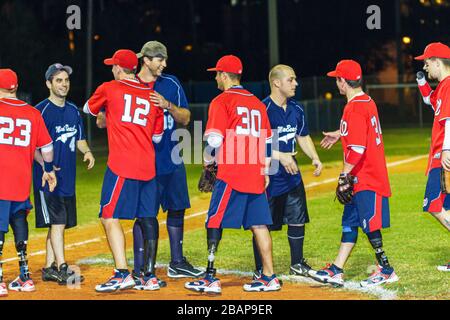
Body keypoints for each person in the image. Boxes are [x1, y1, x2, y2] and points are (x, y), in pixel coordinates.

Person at [98, 41, 202, 280]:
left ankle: (177, 261)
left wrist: (168, 106)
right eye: (159, 59)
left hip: (172, 155)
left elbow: (186, 118)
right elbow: (101, 119)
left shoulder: (171, 83)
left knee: (177, 208)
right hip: (143, 162)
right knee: (144, 214)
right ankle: (141, 267)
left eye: (165, 60)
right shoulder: (126, 84)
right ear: (145, 60)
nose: (164, 64)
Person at [184, 55, 281, 294]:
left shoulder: (221, 100)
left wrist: (208, 163)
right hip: (255, 173)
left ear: (225, 76)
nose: (216, 77)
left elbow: (215, 139)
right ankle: (269, 276)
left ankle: (209, 277)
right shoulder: (258, 103)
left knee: (214, 220)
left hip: (232, 172)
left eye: (217, 73)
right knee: (259, 225)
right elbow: (268, 141)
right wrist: (265, 169)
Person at [312, 60, 398, 287]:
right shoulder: (366, 101)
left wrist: (344, 175)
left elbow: (358, 149)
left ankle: (386, 269)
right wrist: (340, 133)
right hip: (363, 175)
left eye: (337, 79)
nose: (336, 83)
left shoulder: (354, 107)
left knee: (370, 225)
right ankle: (337, 269)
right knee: (349, 222)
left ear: (343, 81)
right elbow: (360, 130)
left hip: (366, 175)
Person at [83, 49, 164, 292]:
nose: (111, 70)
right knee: (147, 217)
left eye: (113, 66)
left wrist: (110, 111)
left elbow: (88, 109)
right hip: (148, 166)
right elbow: (157, 136)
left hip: (122, 164)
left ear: (119, 68)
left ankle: (122, 272)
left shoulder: (110, 87)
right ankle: (148, 276)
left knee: (108, 216)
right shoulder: (152, 96)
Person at [252, 64, 323, 279]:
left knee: (297, 218)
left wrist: (314, 157)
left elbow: (302, 136)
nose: (296, 83)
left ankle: (297, 263)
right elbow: (253, 144)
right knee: (263, 223)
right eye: (291, 80)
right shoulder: (261, 110)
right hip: (268, 176)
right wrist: (280, 155)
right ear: (276, 82)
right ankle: (260, 269)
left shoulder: (297, 108)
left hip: (292, 176)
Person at [33, 63, 95, 285]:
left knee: (58, 224)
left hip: (68, 178)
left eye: (66, 80)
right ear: (48, 84)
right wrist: (45, 167)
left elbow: (79, 139)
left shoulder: (72, 111)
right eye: (58, 80)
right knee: (58, 223)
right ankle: (62, 267)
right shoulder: (40, 111)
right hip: (47, 179)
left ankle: (49, 267)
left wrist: (87, 152)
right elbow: (32, 147)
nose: (64, 84)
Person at [0, 69, 57, 297]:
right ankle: (25, 278)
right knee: (18, 220)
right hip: (21, 181)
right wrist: (49, 169)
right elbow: (47, 147)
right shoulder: (32, 113)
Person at [414, 42, 450, 272]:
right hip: (441, 154)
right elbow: (431, 101)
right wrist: (420, 82)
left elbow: (449, 119)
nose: (426, 67)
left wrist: (447, 149)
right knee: (445, 206)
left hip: (442, 155)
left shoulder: (448, 85)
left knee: (434, 205)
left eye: (427, 63)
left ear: (437, 61)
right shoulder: (443, 87)